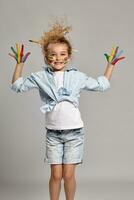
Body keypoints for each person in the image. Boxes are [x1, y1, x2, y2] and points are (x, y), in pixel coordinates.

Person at [9, 20, 125, 200]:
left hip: (75, 134)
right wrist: (19, 64)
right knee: (56, 175)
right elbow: (17, 86)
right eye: (53, 54)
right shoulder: (40, 77)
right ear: (47, 57)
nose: (57, 58)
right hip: (53, 135)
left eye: (62, 54)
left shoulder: (77, 76)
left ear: (68, 57)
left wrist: (110, 65)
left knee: (68, 175)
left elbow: (101, 85)